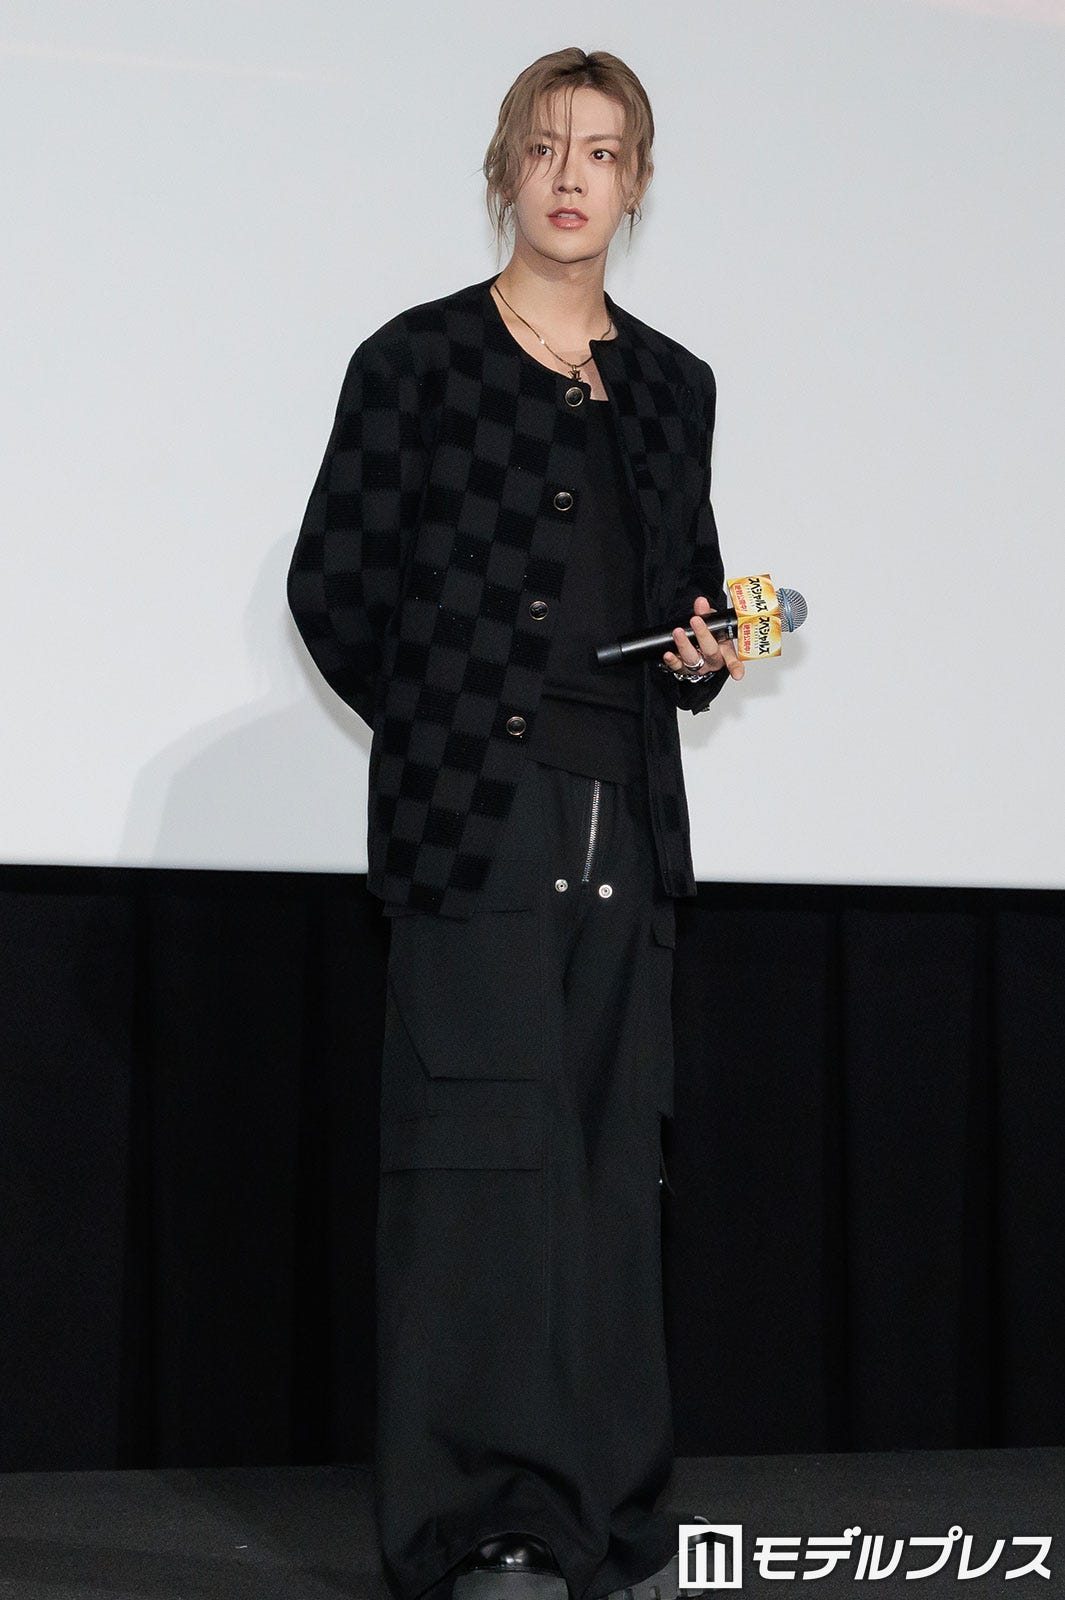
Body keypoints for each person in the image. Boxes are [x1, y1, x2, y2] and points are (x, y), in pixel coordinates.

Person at [287, 45, 743, 1600]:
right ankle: (483, 1520)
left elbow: (685, 588)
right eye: (545, 146)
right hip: (477, 820)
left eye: (601, 153)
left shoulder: (673, 385)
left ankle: (602, 1512)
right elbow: (334, 589)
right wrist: (445, 729)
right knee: (479, 1169)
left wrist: (701, 651)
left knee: (607, 1171)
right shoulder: (418, 360)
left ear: (635, 183)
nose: (569, 177)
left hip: (629, 821)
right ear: (505, 168)